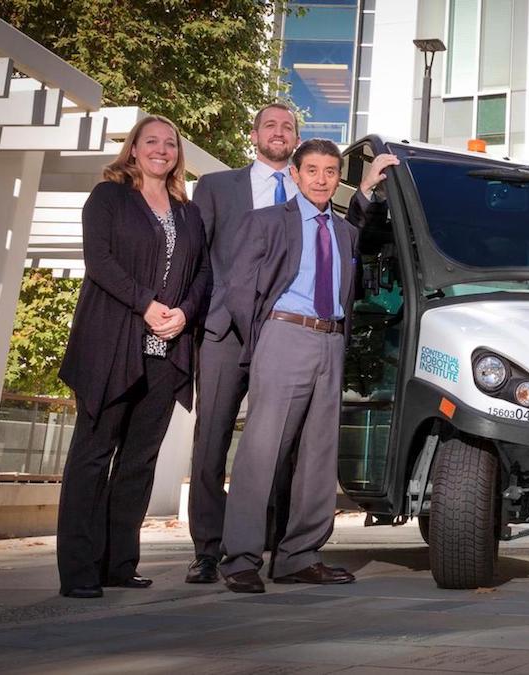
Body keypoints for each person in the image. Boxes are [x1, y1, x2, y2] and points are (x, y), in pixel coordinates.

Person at [56, 115, 212, 599]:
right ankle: (79, 569)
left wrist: (184, 314)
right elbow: (98, 260)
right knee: (93, 454)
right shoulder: (109, 197)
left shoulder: (188, 213)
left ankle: (119, 563)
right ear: (133, 149)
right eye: (151, 141)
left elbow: (203, 274)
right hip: (113, 344)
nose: (161, 149)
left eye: (170, 143)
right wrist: (146, 304)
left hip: (166, 351)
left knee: (139, 460)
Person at [219, 139, 360, 593]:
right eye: (313, 170)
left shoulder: (344, 232)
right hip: (283, 335)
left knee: (319, 456)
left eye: (331, 171)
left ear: (339, 178)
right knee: (263, 451)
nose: (322, 179)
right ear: (295, 175)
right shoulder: (265, 223)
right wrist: (265, 337)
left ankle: (299, 556)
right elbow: (240, 289)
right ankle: (240, 558)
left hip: (331, 341)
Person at [185, 103, 301, 584]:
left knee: (277, 444)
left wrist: (371, 191)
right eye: (270, 125)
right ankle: (208, 550)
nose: (279, 132)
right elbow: (194, 256)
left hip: (283, 333)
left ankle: (263, 544)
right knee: (211, 439)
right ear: (253, 134)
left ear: (296, 138)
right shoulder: (216, 187)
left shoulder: (310, 190)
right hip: (222, 333)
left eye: (288, 127)